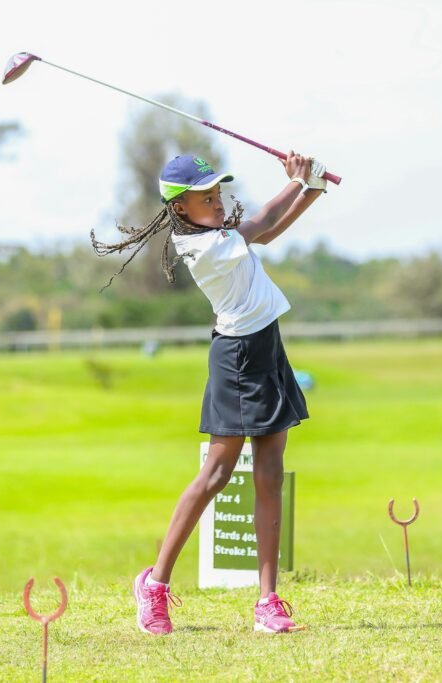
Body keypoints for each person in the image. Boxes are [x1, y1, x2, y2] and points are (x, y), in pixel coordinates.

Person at [91, 152, 326, 634]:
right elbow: (260, 223)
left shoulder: (220, 236)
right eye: (206, 198)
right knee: (216, 473)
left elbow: (269, 231)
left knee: (270, 475)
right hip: (237, 359)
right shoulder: (202, 246)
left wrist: (312, 191)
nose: (218, 204)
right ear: (180, 209)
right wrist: (297, 181)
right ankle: (154, 585)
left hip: (266, 347)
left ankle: (268, 602)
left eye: (219, 195)